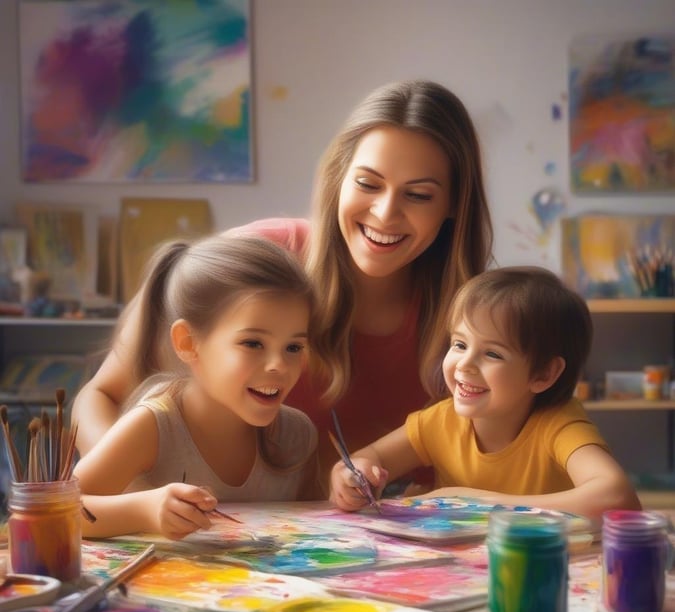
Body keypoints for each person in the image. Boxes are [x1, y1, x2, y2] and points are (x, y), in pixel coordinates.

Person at [71, 80, 494, 496]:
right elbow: (99, 396)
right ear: (338, 179)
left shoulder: (479, 317)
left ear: (455, 204)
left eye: (418, 195)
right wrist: (135, 496)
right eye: (367, 184)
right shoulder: (259, 258)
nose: (385, 213)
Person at [330, 267, 642, 520]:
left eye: (492, 354)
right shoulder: (439, 421)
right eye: (459, 345)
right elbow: (369, 457)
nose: (464, 364)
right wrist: (352, 477)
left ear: (543, 374)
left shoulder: (558, 425)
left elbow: (617, 498)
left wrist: (473, 503)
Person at [73, 236, 318, 539]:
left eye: (293, 347)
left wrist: (345, 491)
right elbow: (55, 511)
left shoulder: (297, 436)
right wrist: (144, 511)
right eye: (253, 343)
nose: (279, 365)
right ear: (188, 343)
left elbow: (316, 522)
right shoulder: (152, 427)